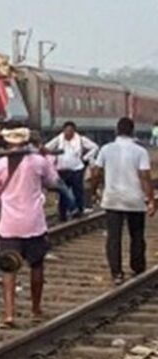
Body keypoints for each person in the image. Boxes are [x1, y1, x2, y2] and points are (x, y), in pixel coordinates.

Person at [0, 126, 60, 327]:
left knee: (9, 270)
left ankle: (9, 315)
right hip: (34, 223)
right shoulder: (38, 162)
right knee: (36, 266)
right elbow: (53, 180)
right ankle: (35, 309)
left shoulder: (0, 165)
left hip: (9, 225)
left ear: (7, 142)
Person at [90, 116, 155, 283]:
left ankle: (116, 273)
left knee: (113, 237)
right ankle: (137, 267)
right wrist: (151, 199)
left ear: (116, 131)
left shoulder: (105, 149)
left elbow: (96, 173)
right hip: (135, 199)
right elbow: (145, 177)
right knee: (137, 235)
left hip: (112, 199)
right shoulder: (140, 151)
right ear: (133, 132)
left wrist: (94, 190)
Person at [44, 121, 98, 221]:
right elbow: (46, 148)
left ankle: (79, 211)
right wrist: (53, 158)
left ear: (74, 131)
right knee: (63, 193)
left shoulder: (81, 140)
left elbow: (94, 147)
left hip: (77, 169)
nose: (68, 133)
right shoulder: (58, 140)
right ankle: (63, 214)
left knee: (78, 191)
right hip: (62, 170)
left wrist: (86, 157)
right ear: (63, 131)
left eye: (71, 131)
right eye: (67, 131)